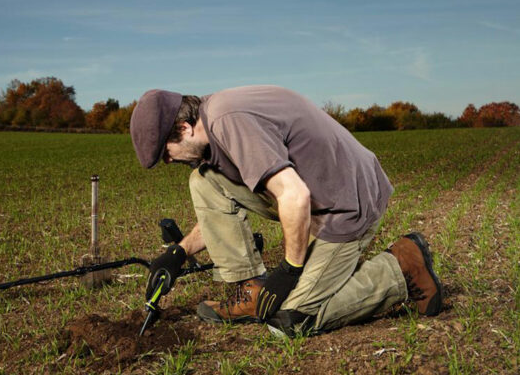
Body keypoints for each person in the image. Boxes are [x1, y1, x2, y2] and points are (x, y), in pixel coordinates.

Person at [130, 85, 443, 336]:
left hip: (346, 205)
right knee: (204, 180)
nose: (169, 162)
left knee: (291, 317)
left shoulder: (229, 122)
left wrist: (289, 270)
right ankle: (251, 291)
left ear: (184, 128)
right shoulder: (214, 119)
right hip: (313, 194)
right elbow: (231, 205)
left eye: (166, 154)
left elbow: (295, 195)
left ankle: (399, 267)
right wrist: (179, 253)